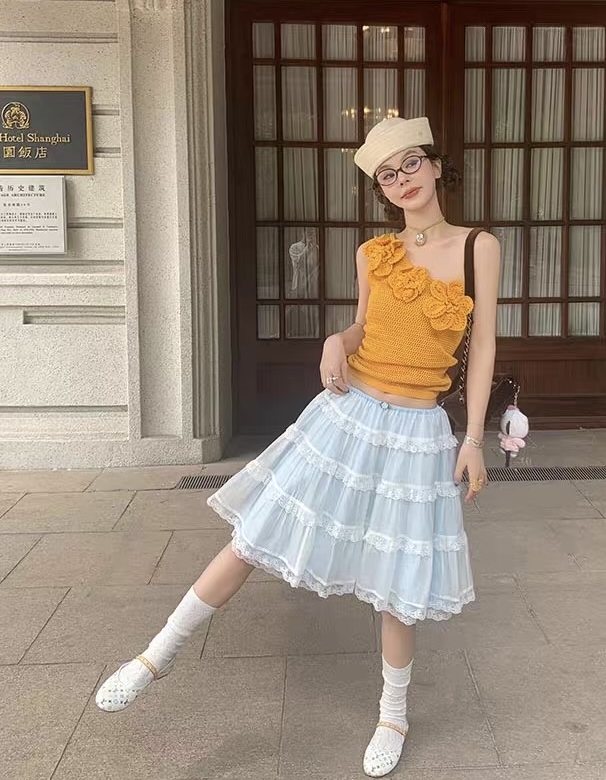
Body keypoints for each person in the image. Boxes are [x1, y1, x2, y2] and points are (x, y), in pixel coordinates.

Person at [95, 116, 501, 778]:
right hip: (346, 415)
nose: (402, 179)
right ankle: (154, 655)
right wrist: (337, 340)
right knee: (254, 535)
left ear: (435, 164)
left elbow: (483, 345)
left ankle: (392, 714)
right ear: (381, 189)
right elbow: (363, 325)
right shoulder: (374, 253)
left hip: (418, 429)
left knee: (396, 583)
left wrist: (475, 439)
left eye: (410, 163)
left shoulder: (478, 246)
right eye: (387, 174)